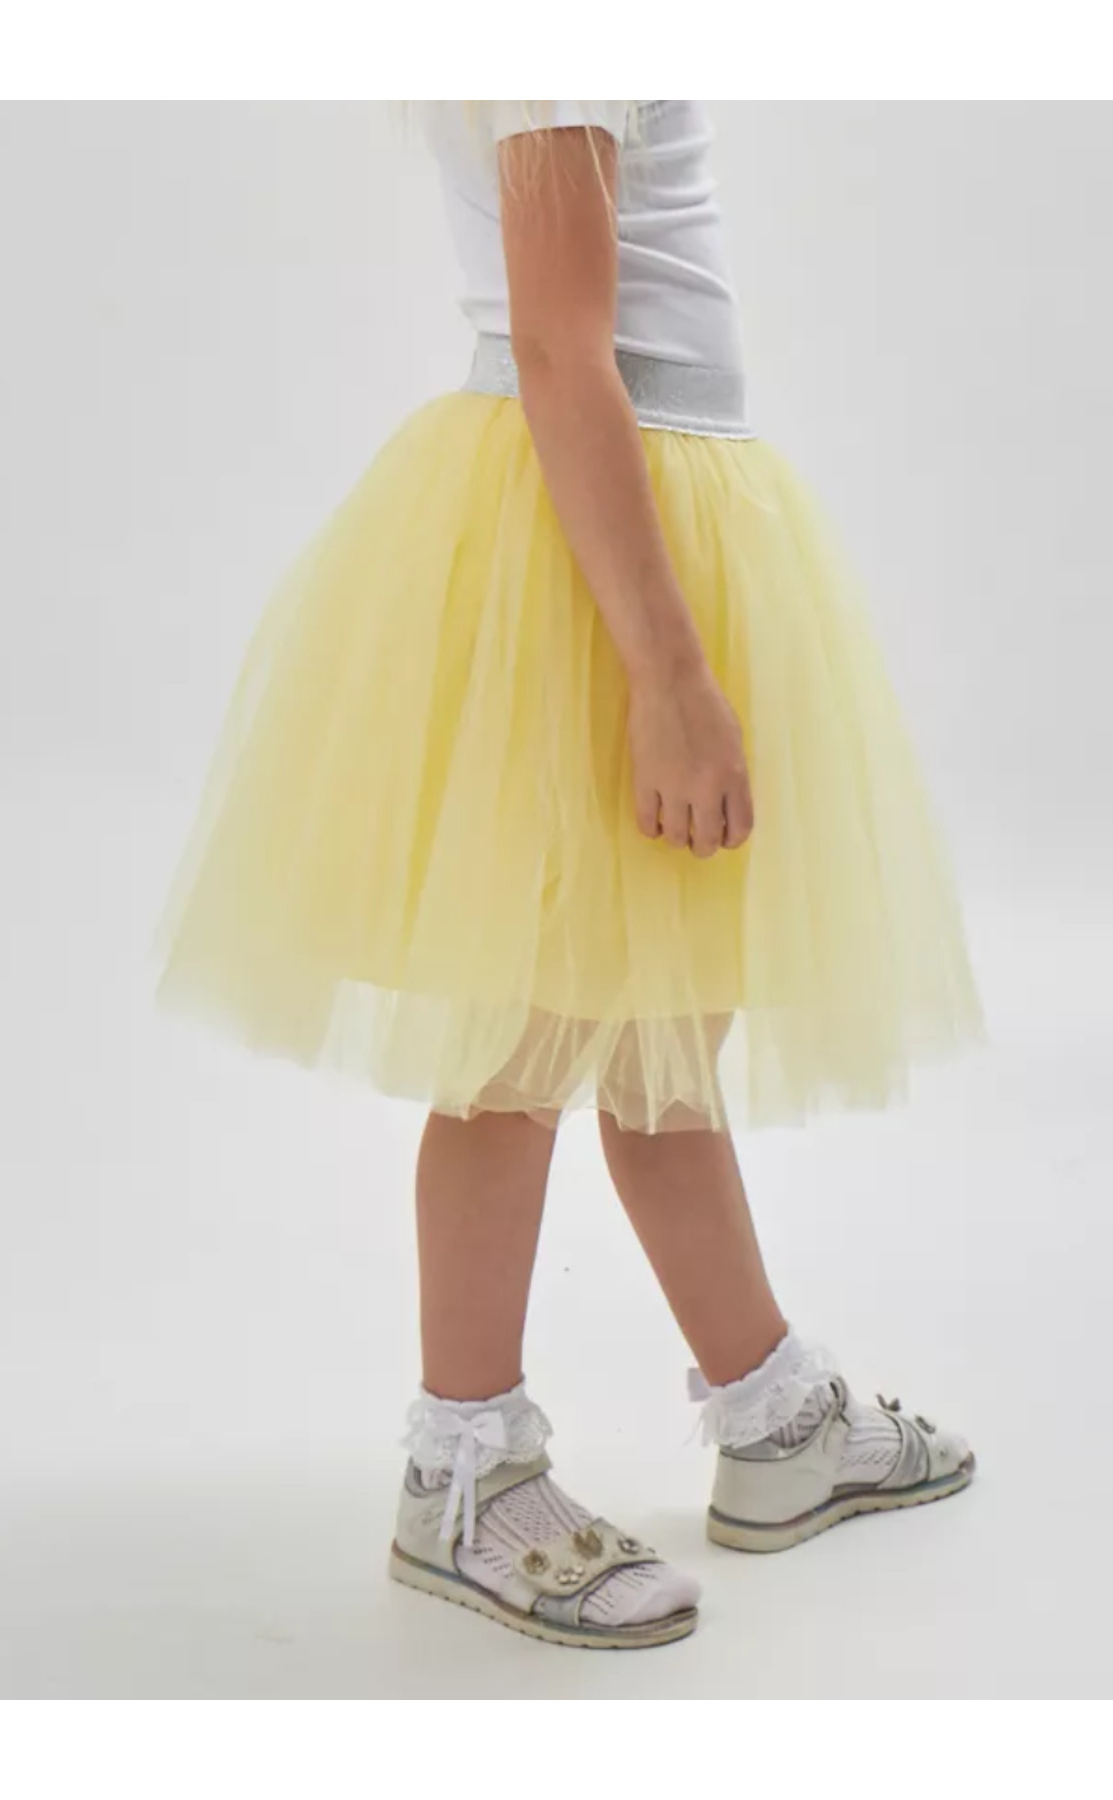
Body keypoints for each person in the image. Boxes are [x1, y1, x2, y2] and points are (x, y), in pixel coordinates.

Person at [155, 100, 982, 1650]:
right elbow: (556, 343)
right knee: (523, 1047)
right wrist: (666, 673)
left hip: (658, 508)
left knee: (666, 1027)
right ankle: (463, 1472)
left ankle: (773, 1417)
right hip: (598, 546)